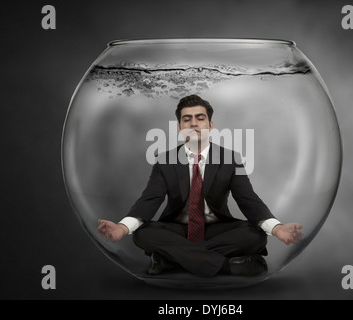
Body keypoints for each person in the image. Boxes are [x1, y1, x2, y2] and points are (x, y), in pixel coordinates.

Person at [97, 95, 302, 277]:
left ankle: (172, 259)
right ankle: (229, 267)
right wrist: (122, 228)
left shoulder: (230, 159)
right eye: (187, 119)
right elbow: (149, 201)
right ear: (179, 128)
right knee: (143, 233)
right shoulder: (164, 161)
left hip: (217, 229)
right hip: (176, 229)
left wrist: (277, 229)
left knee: (255, 235)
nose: (193, 124)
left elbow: (249, 200)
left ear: (210, 126)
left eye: (200, 118)